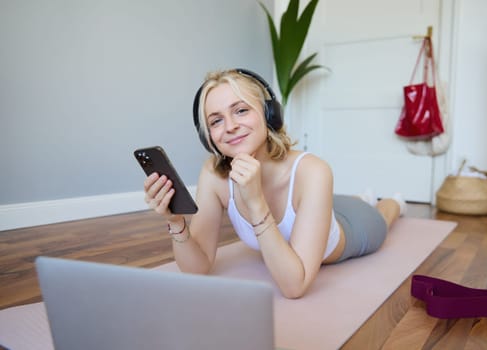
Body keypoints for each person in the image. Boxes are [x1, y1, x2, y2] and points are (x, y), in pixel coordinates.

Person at [143, 68, 406, 299]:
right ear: (208, 136)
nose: (231, 126)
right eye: (216, 120)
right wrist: (177, 222)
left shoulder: (313, 170)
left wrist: (256, 201)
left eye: (241, 110)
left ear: (269, 115)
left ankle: (391, 202)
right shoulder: (213, 174)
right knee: (328, 204)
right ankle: (359, 197)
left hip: (354, 227)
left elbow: (295, 286)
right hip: (319, 208)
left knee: (382, 215)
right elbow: (196, 268)